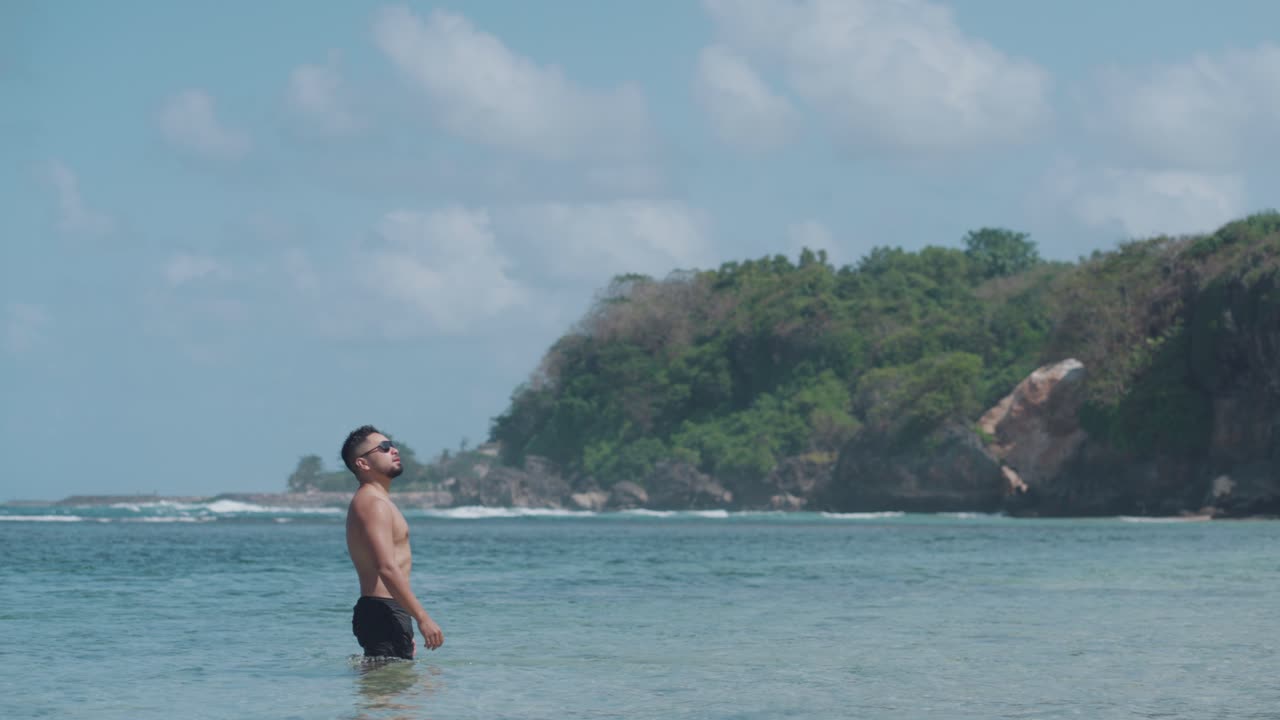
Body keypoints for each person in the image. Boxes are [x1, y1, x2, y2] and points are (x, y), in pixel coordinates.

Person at [342, 425, 444, 659]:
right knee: (386, 692)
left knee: (389, 690)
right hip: (383, 611)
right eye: (384, 447)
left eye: (393, 445)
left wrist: (404, 619)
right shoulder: (373, 504)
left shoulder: (376, 501)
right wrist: (422, 618)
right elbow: (386, 567)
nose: (394, 450)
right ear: (362, 463)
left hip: (387, 611)